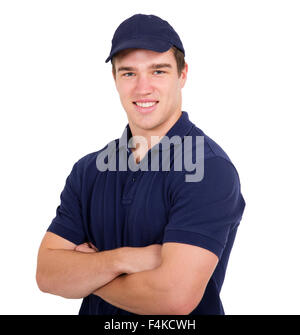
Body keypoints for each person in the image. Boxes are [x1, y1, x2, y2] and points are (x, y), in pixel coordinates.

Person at [36, 13, 246, 315]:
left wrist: (86, 276)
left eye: (158, 71)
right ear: (115, 79)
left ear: (183, 74)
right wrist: (122, 260)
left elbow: (174, 298)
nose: (142, 88)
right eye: (129, 73)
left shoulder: (207, 168)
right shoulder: (89, 171)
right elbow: (46, 274)